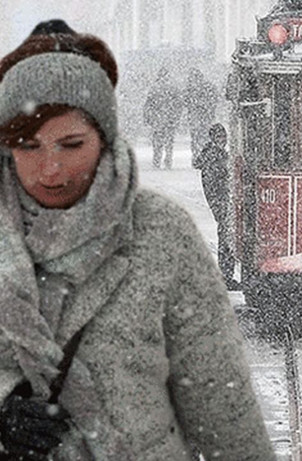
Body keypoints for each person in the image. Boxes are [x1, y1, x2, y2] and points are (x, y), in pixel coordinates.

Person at [0, 19, 274, 460]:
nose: (50, 169)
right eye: (29, 146)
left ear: (104, 141)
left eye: (71, 145)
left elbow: (221, 400)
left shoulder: (161, 232)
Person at [193, 123, 239, 290]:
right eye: (220, 137)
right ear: (214, 138)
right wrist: (222, 201)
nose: (223, 140)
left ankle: (226, 274)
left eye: (224, 137)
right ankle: (226, 275)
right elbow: (216, 183)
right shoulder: (215, 156)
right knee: (226, 237)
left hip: (220, 201)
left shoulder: (212, 155)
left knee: (225, 236)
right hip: (221, 201)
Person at [143, 67, 181, 169]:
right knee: (169, 142)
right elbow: (178, 105)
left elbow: (148, 105)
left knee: (157, 142)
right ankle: (168, 160)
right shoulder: (173, 88)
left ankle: (157, 160)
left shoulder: (154, 88)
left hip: (157, 120)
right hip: (170, 119)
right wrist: (176, 117)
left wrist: (147, 118)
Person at [183, 68, 218, 166]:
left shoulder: (190, 89)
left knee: (196, 139)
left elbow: (185, 101)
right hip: (205, 118)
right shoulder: (209, 87)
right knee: (205, 138)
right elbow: (215, 99)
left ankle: (197, 158)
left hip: (196, 118)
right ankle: (205, 158)